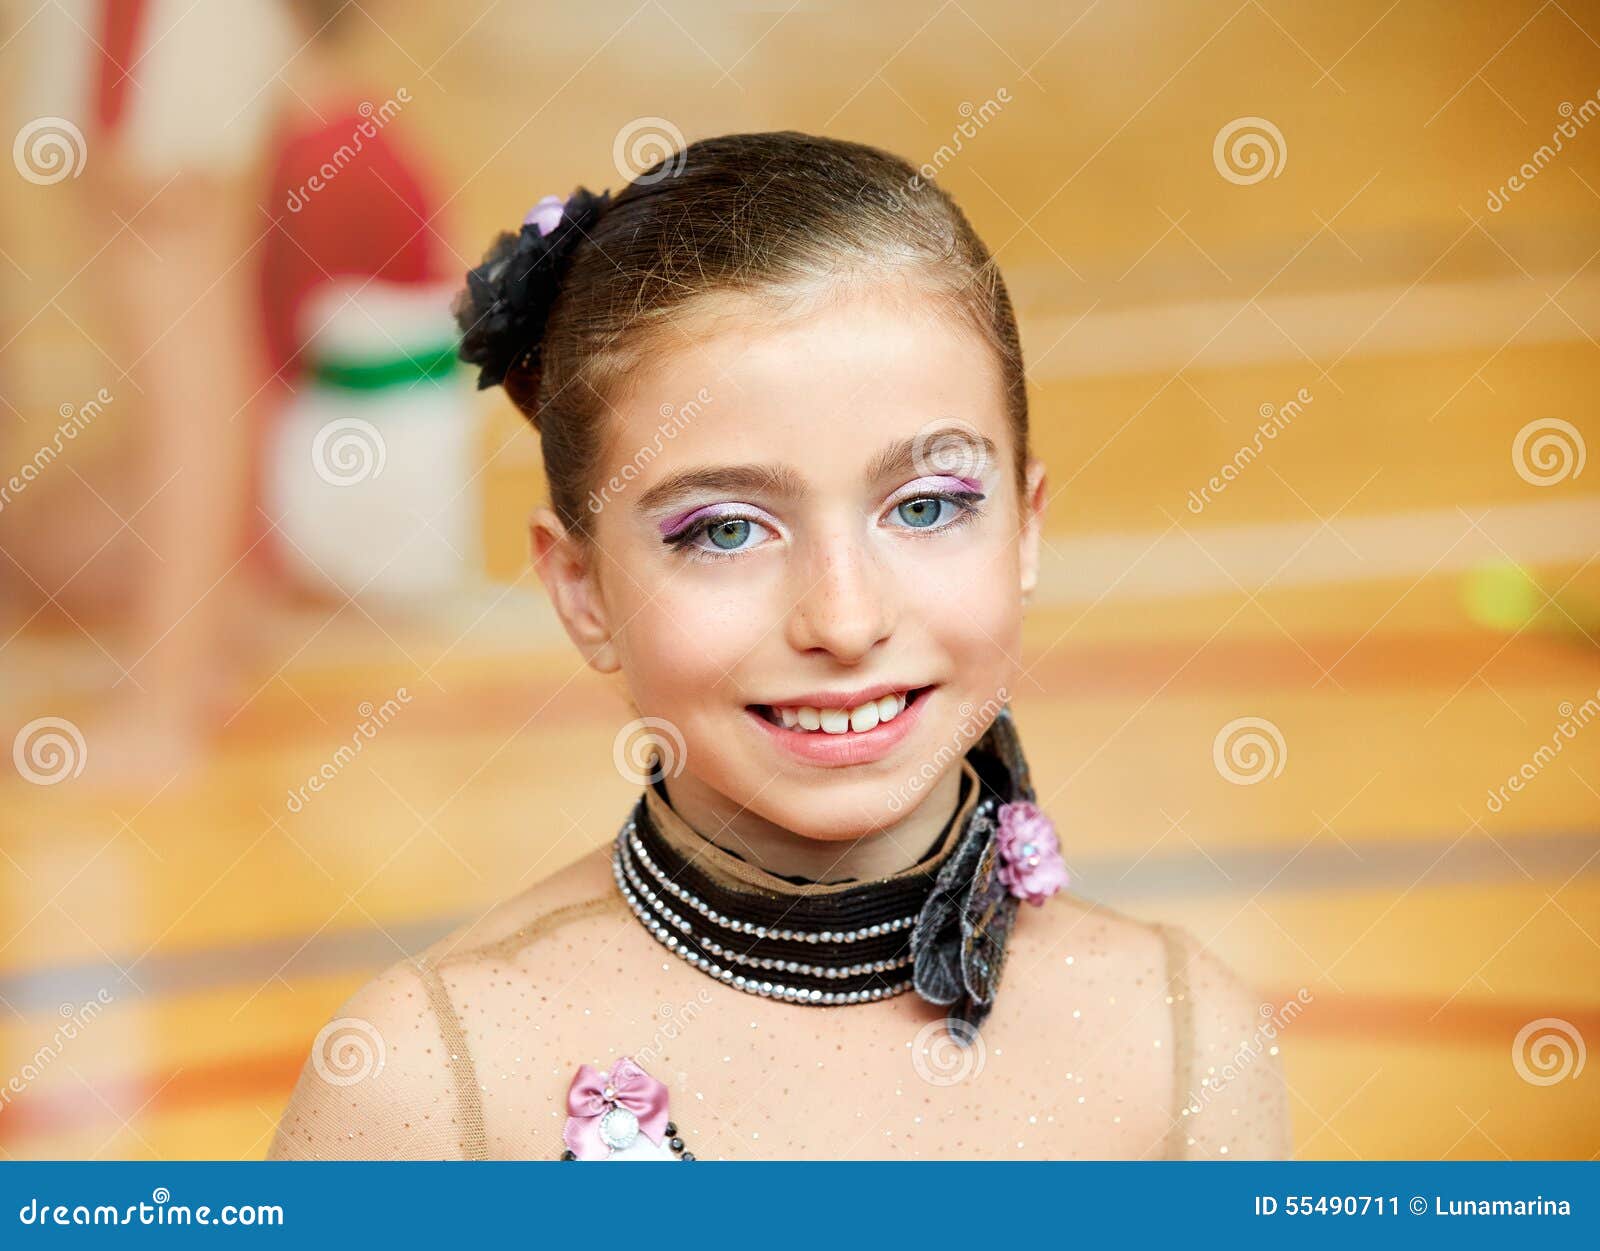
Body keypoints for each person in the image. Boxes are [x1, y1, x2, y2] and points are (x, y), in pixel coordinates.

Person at [268, 131, 1291, 1161]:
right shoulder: (432, 1088)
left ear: (1024, 529)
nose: (843, 622)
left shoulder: (1178, 1042)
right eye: (724, 530)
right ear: (579, 590)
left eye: (928, 507)